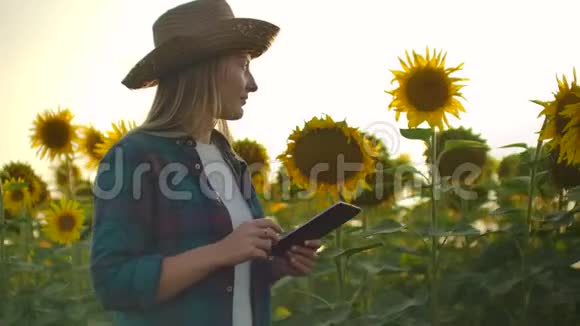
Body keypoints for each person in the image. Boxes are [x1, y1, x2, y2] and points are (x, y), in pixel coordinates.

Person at [89, 0, 322, 325]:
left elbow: (231, 279)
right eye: (242, 65)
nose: (252, 84)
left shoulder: (231, 159)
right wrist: (220, 252)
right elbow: (113, 283)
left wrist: (276, 264)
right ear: (205, 66)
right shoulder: (135, 156)